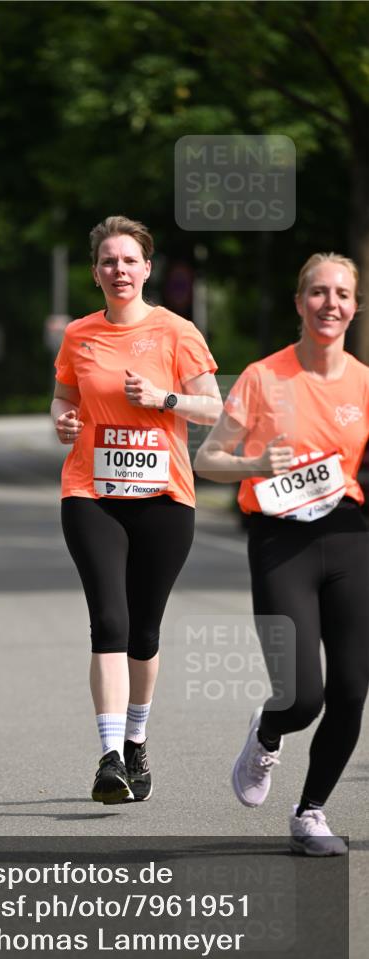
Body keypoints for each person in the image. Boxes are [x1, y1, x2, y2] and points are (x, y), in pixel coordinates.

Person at [194, 253, 369, 856]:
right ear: (300, 304)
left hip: (349, 535)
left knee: (351, 689)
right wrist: (250, 463)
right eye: (318, 293)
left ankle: (311, 811)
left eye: (342, 294)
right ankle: (268, 732)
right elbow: (206, 459)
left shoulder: (364, 383)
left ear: (355, 306)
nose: (331, 304)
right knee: (302, 695)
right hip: (279, 538)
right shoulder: (263, 377)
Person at [51, 215, 222, 803]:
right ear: (95, 272)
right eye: (108, 261)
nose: (118, 270)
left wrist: (164, 398)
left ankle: (136, 739)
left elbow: (213, 408)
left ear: (147, 268)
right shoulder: (79, 335)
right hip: (91, 494)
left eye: (129, 260)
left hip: (163, 498)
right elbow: (64, 397)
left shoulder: (177, 331)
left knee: (144, 632)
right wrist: (62, 421)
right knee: (110, 623)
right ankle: (108, 758)